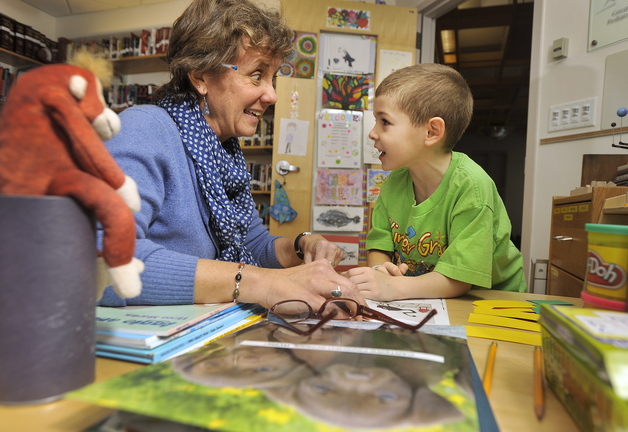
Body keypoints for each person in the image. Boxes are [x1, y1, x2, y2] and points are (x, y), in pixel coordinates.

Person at [97, 0, 361, 309]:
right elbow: (100, 260)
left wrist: (302, 246)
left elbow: (251, 244)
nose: (272, 95)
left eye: (272, 77)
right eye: (256, 74)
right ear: (200, 76)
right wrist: (259, 282)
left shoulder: (223, 152)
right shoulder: (144, 128)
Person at [345, 63, 526, 300]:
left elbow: (459, 278)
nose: (373, 133)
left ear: (431, 132)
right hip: (428, 298)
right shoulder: (392, 184)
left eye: (385, 122)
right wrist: (381, 270)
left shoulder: (471, 185)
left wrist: (392, 288)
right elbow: (380, 244)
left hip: (493, 302)